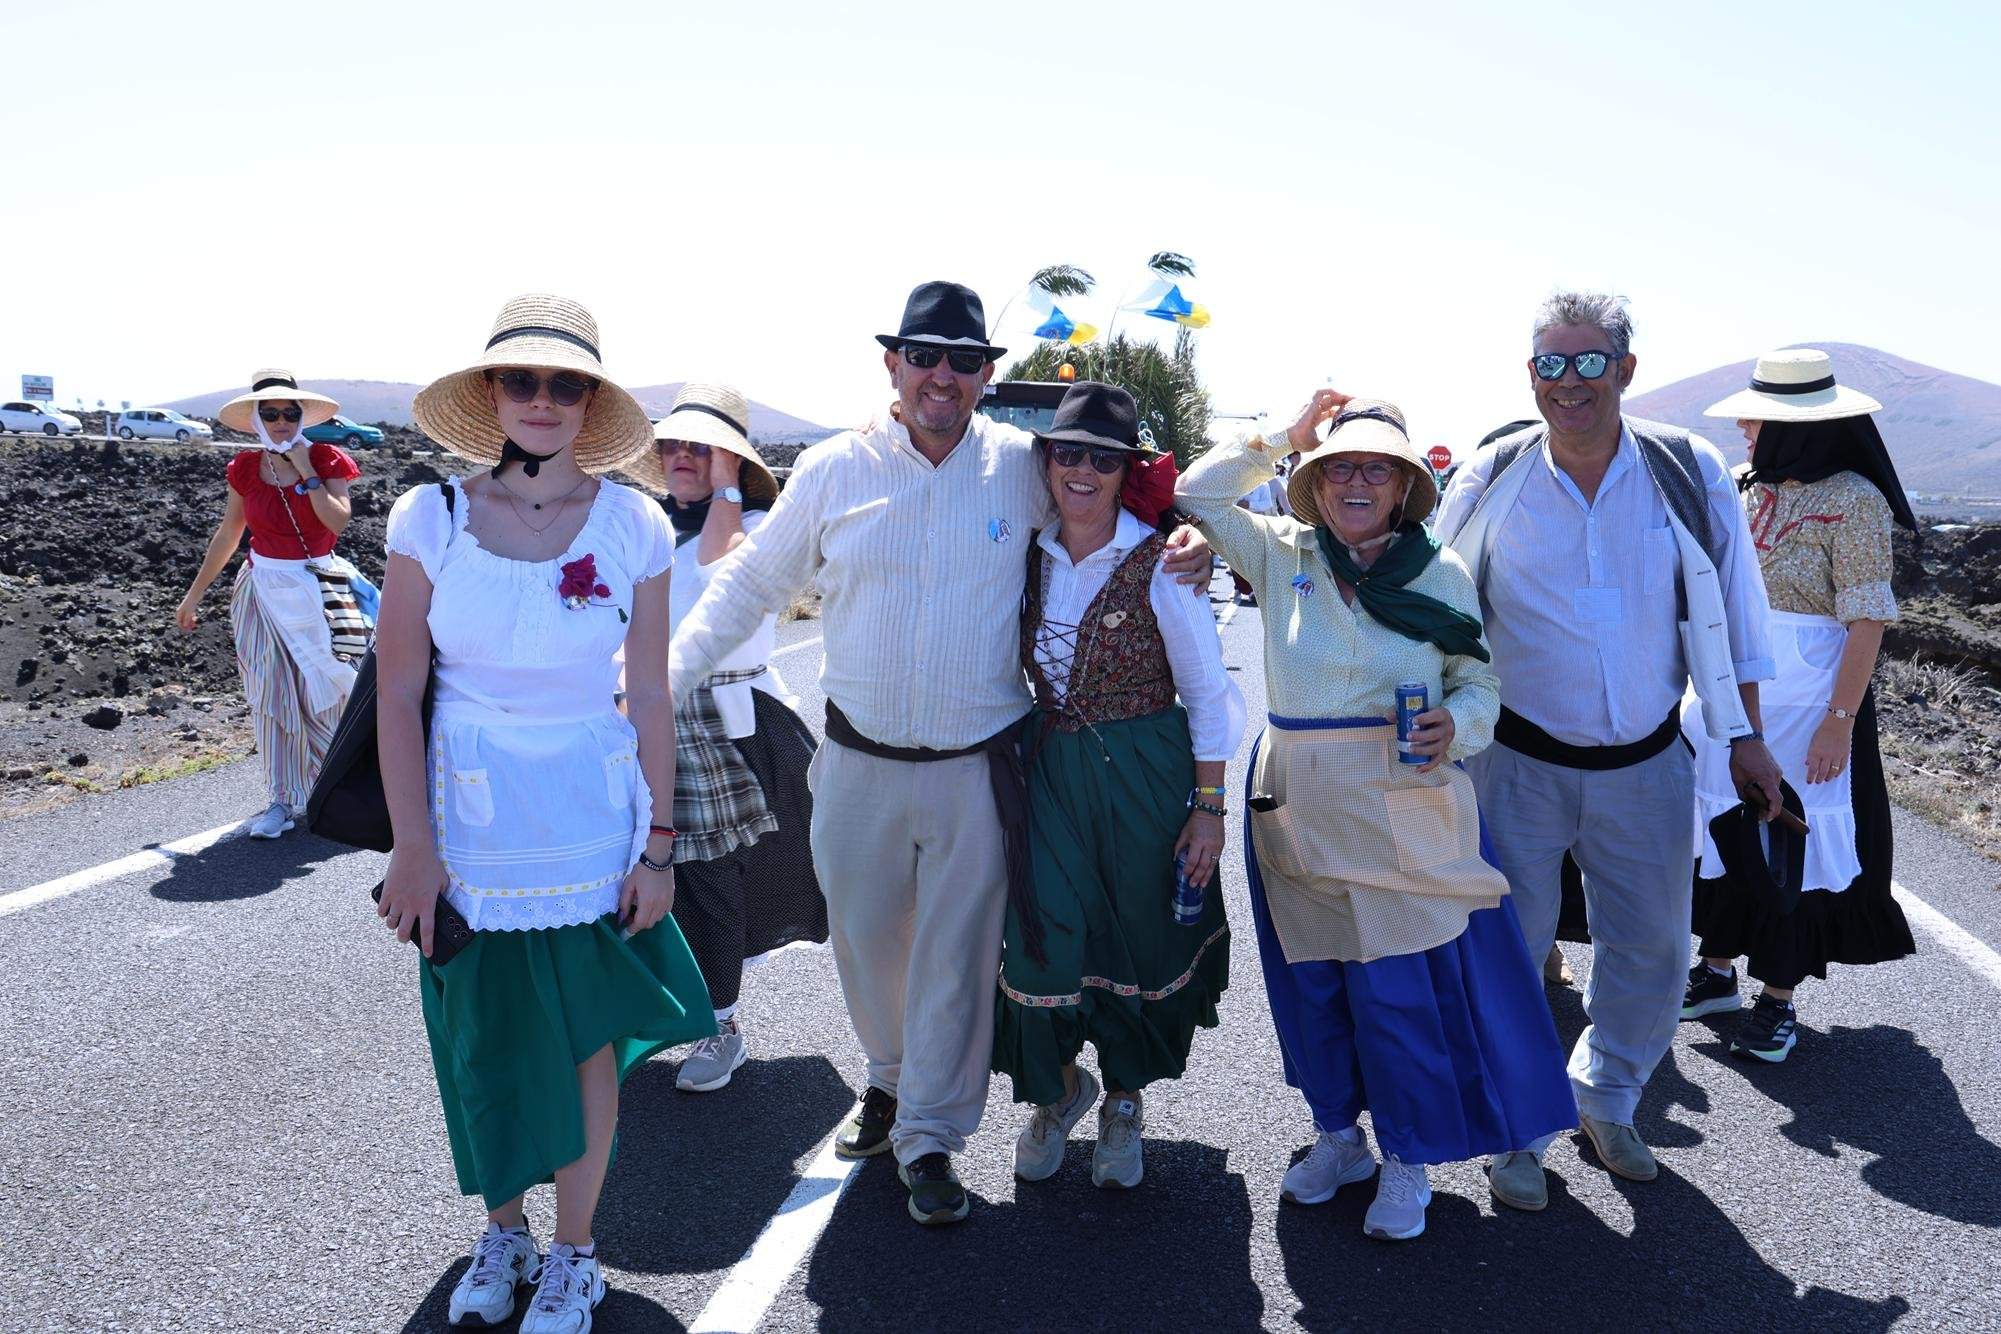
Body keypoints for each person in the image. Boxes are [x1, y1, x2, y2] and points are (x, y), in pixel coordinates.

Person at [668, 281, 1211, 1226]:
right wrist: (658, 683)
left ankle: (929, 1137)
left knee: (957, 963)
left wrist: (1181, 537)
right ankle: (885, 1079)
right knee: (867, 946)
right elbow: (751, 581)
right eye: (924, 356)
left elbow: (1103, 516)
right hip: (856, 761)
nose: (942, 377)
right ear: (892, 365)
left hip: (976, 768)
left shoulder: (1016, 467)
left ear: (986, 376)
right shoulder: (834, 469)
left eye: (964, 361)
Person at [374, 295, 713, 1332]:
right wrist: (413, 848)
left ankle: (575, 1251)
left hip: (587, 813)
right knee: (486, 1033)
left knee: (583, 1042)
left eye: (565, 383)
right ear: (491, 394)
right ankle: (504, 1229)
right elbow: (396, 691)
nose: (542, 400)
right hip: (465, 818)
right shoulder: (426, 517)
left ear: (592, 401)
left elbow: (648, 693)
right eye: (521, 380)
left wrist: (659, 847)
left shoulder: (637, 524)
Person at [1178, 393, 1575, 1241]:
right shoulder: (1278, 550)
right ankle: (1337, 1139)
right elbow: (1196, 494)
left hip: (1403, 801)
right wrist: (1280, 437)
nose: (1356, 481)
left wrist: (1455, 725)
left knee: (1399, 997)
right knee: (1314, 987)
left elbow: (1480, 685)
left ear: (1402, 488)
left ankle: (1406, 1158)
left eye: (1376, 469)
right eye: (1339, 467)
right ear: (1314, 485)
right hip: (1297, 804)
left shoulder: (1439, 574)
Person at [1435, 291, 1782, 1197]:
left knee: (1656, 949)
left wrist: (1744, 738)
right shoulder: (1490, 476)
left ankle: (1608, 1095)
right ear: (1530, 376)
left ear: (1625, 370)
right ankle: (1517, 1124)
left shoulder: (1685, 469)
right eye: (1551, 364)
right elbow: (1429, 601)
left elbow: (1735, 606)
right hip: (1514, 761)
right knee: (1511, 948)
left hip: (1645, 763)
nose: (1569, 382)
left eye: (1589, 362)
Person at [992, 381, 1244, 1191]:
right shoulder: (1021, 551)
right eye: (1068, 453)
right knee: (1042, 936)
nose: (1082, 471)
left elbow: (1206, 693)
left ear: (1122, 471)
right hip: (1054, 767)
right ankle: (1061, 1089)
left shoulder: (1164, 561)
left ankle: (1124, 1100)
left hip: (1144, 768)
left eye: (1102, 459)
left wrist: (1207, 810)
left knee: (1137, 933)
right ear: (1047, 461)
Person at [1680, 349, 1918, 1060]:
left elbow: (1867, 619)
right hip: (1735, 686)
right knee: (1728, 826)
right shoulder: (1746, 486)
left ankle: (1776, 997)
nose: (1746, 430)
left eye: (1759, 420)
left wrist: (1836, 724)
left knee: (1791, 840)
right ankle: (1717, 967)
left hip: (1811, 693)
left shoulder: (1854, 500)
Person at [623, 383, 829, 1092]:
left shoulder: (761, 525)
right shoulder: (646, 525)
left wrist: (725, 487)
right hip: (635, 719)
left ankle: (721, 1027)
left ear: (733, 460)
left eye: (701, 448)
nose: (681, 457)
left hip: (727, 730)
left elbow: (720, 573)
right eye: (672, 445)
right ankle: (655, 1014)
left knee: (709, 881)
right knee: (628, 875)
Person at [175, 370, 364, 839]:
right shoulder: (244, 468)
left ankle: (338, 786)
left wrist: (306, 471)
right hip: (262, 591)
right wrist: (194, 593)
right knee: (272, 696)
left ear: (303, 416)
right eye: (271, 413)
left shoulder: (326, 459)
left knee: (333, 688)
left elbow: (336, 522)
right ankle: (282, 798)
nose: (281, 421)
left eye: (290, 412)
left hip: (319, 590)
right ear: (257, 418)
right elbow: (230, 533)